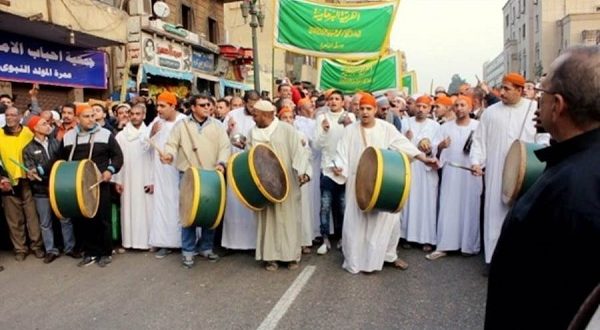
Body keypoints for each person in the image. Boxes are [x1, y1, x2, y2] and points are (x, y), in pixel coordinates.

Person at [485, 46, 600, 330]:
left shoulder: (570, 189)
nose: (537, 102)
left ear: (557, 105)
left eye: (542, 94)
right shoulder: (576, 161)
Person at [334, 93, 438, 274]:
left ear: (375, 110)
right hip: (357, 182)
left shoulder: (386, 128)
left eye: (369, 109)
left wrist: (423, 158)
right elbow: (341, 154)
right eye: (362, 109)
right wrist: (338, 167)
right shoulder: (349, 131)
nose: (365, 112)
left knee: (388, 220)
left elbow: (403, 144)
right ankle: (355, 260)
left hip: (381, 182)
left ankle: (388, 256)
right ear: (357, 110)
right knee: (355, 222)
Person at [469, 72, 537, 272]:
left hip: (528, 172)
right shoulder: (491, 112)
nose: (502, 92)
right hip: (496, 172)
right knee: (495, 215)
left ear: (520, 90)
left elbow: (543, 137)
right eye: (501, 88)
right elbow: (479, 140)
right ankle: (494, 261)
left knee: (524, 216)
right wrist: (476, 162)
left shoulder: (533, 109)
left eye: (507, 89)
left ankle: (521, 262)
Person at [161, 94, 230, 268]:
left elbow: (225, 147)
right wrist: (168, 155)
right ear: (193, 108)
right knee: (188, 213)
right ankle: (188, 250)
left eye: (209, 104)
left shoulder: (218, 126)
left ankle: (206, 248)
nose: (208, 107)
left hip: (212, 174)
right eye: (203, 105)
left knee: (211, 211)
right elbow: (171, 144)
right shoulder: (181, 125)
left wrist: (222, 163)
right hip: (188, 174)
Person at [249, 100, 311, 271]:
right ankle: (270, 258)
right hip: (263, 185)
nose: (253, 117)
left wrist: (303, 172)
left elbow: (300, 153)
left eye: (256, 114)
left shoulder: (286, 130)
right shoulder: (251, 133)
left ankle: (291, 257)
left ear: (267, 115)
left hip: (288, 182)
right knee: (268, 220)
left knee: (289, 219)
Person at [60, 104, 123, 267]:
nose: (91, 119)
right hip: (78, 186)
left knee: (102, 219)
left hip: (100, 183)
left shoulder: (105, 134)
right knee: (83, 220)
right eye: (86, 116)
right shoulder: (68, 137)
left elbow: (118, 157)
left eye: (92, 116)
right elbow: (57, 159)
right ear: (77, 119)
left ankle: (106, 252)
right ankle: (90, 252)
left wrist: (110, 170)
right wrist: (40, 170)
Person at [426, 96, 482, 260]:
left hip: (471, 173)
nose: (459, 108)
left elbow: (484, 149)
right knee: (448, 206)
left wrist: (478, 164)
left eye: (463, 105)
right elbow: (434, 149)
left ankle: (468, 245)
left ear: (471, 107)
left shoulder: (478, 127)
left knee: (470, 207)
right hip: (451, 173)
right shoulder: (445, 127)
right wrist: (441, 146)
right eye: (456, 105)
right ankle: (445, 245)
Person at [23, 115, 77, 263]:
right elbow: (30, 169)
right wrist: (32, 173)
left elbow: (64, 162)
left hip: (59, 188)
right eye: (43, 124)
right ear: (35, 128)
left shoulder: (57, 143)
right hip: (41, 191)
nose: (48, 126)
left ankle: (69, 248)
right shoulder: (28, 149)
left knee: (65, 219)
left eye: (47, 123)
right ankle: (51, 250)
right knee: (45, 223)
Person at [144, 91, 187, 258]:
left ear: (173, 106)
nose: (159, 110)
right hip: (161, 173)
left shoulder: (183, 121)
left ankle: (185, 243)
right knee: (163, 206)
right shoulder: (156, 121)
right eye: (157, 106)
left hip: (178, 170)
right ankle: (165, 243)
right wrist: (152, 133)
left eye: (162, 106)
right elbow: (145, 145)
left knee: (180, 204)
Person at [0, 106, 44, 261]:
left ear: (20, 116)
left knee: (32, 216)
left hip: (28, 181)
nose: (9, 118)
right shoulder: (0, 134)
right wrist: (1, 178)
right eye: (7, 115)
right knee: (14, 219)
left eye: (13, 115)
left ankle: (37, 246)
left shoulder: (28, 132)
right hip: (9, 182)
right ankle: (20, 249)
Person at [315, 90, 355, 254]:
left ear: (342, 102)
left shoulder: (350, 118)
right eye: (330, 99)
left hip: (345, 169)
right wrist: (325, 130)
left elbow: (352, 142)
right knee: (325, 206)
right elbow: (317, 145)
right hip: (327, 168)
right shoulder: (321, 119)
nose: (333, 102)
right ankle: (324, 239)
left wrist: (347, 126)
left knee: (344, 206)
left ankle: (342, 238)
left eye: (337, 99)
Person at [401, 95, 440, 252]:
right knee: (409, 202)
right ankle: (407, 236)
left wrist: (430, 148)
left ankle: (427, 238)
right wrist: (406, 138)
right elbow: (397, 143)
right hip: (410, 167)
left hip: (427, 170)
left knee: (427, 203)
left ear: (429, 109)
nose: (421, 109)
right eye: (418, 106)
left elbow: (438, 146)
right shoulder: (405, 123)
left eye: (424, 107)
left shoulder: (435, 126)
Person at [221, 91, 258, 251]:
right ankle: (231, 244)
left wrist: (248, 145)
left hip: (252, 165)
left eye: (255, 105)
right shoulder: (232, 115)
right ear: (244, 102)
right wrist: (228, 131)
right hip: (234, 163)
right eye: (250, 105)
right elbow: (221, 138)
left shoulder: (260, 116)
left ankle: (253, 243)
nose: (253, 109)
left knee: (250, 202)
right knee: (234, 203)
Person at [113, 104, 153, 250]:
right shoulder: (121, 136)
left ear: (143, 115)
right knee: (128, 210)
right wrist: (117, 180)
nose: (135, 117)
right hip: (127, 180)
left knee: (147, 210)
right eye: (133, 114)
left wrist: (153, 180)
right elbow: (117, 159)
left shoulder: (149, 134)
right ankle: (130, 242)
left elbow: (153, 160)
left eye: (138, 114)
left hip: (146, 178)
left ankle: (148, 242)